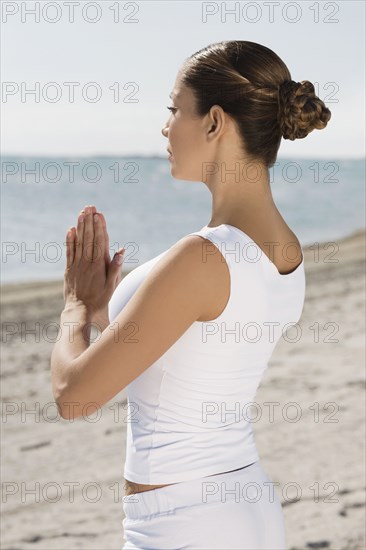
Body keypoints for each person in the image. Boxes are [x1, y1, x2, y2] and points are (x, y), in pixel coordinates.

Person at [54, 40, 331, 549]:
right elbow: (196, 361)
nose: (164, 127)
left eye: (174, 109)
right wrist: (106, 310)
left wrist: (74, 305)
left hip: (183, 525)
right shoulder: (285, 249)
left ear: (213, 122)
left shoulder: (203, 257)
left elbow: (73, 397)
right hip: (242, 505)